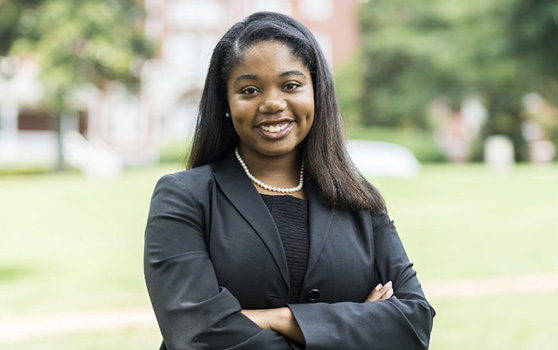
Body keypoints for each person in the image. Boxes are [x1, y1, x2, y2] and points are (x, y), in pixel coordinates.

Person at [144, 12, 435, 350]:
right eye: (249, 90)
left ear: (316, 92)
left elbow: (413, 323)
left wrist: (277, 317)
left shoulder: (359, 201)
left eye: (291, 85)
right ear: (226, 103)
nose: (272, 103)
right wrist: (353, 329)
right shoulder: (184, 198)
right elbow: (197, 335)